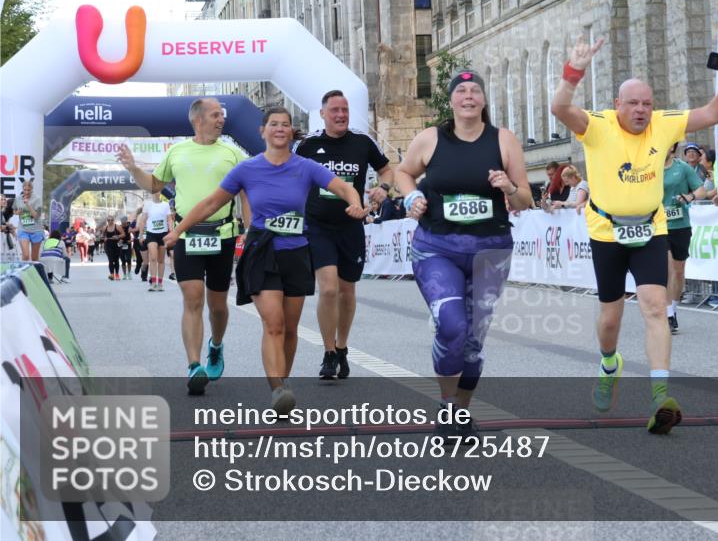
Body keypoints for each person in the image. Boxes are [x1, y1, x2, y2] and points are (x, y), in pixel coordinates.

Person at [550, 34, 718, 434]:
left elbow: (714, 113)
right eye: (633, 103)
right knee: (610, 319)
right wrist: (574, 72)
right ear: (617, 104)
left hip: (651, 228)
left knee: (655, 305)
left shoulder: (664, 124)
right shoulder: (598, 126)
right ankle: (609, 364)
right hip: (606, 231)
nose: (641, 110)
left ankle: (660, 397)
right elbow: (560, 107)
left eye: (647, 104)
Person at [165, 106, 366, 413]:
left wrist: (354, 203)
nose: (280, 129)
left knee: (289, 327)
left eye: (285, 125)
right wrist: (177, 230)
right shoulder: (247, 169)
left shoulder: (306, 167)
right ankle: (278, 389)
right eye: (274, 124)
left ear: (291, 131)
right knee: (273, 323)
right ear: (263, 131)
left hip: (297, 251)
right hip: (263, 250)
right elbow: (210, 203)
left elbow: (341, 186)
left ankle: (282, 381)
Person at [397, 68, 532, 441]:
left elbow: (525, 199)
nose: (468, 96)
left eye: (475, 91)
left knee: (472, 343)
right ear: (452, 100)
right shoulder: (430, 139)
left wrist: (509, 186)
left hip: (490, 251)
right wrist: (412, 196)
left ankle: (460, 412)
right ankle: (446, 404)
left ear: (484, 100)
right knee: (452, 325)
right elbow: (403, 173)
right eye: (461, 91)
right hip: (437, 248)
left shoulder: (504, 140)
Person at [117, 97, 251, 395]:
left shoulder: (232, 152)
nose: (222, 119)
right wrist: (133, 168)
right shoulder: (177, 152)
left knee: (217, 306)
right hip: (186, 236)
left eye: (222, 115)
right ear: (198, 119)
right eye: (216, 115)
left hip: (223, 235)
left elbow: (248, 188)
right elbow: (153, 185)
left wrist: (250, 226)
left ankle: (216, 346)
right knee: (192, 298)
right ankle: (193, 366)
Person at [295, 90, 395, 380]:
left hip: (352, 225)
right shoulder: (309, 145)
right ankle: (328, 353)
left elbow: (387, 170)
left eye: (345, 110)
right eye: (335, 110)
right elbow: (292, 177)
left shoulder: (362, 142)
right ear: (323, 114)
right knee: (327, 289)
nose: (341, 115)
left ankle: (342, 347)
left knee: (347, 291)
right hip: (318, 226)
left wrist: (383, 189)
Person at [662, 143, 706, 334]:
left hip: (680, 224)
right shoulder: (648, 168)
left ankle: (673, 309)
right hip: (658, 226)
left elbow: (701, 190)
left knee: (679, 272)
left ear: (671, 148)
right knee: (669, 268)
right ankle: (667, 314)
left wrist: (689, 197)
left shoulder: (682, 167)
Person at [138, 192, 171, 291]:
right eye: (154, 191)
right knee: (153, 258)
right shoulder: (147, 204)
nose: (156, 192)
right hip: (151, 234)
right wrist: (140, 235)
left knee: (161, 260)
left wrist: (171, 231)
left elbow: (169, 219)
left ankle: (160, 283)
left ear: (160, 192)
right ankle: (153, 283)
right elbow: (143, 221)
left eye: (158, 190)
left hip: (163, 234)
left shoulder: (166, 205)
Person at [14, 180, 44, 261]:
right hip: (23, 230)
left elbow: (37, 216)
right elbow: (14, 210)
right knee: (26, 255)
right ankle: (23, 273)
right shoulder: (18, 199)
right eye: (25, 190)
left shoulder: (37, 199)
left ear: (32, 190)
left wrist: (28, 205)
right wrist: (17, 212)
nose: (26, 192)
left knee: (34, 258)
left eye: (28, 190)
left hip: (36, 230)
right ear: (23, 189)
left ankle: (33, 273)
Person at [101, 215, 125, 280]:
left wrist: (118, 236)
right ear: (107, 221)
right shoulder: (105, 228)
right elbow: (102, 236)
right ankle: (112, 274)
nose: (110, 221)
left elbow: (123, 234)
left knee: (116, 260)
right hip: (108, 245)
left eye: (111, 220)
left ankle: (117, 274)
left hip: (116, 245)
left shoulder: (117, 227)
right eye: (108, 220)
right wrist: (104, 238)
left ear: (113, 220)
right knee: (110, 259)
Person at [118, 216, 133, 280]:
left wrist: (131, 240)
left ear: (126, 222)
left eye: (124, 222)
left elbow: (133, 236)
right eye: (122, 222)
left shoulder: (129, 227)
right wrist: (118, 240)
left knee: (129, 259)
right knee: (123, 260)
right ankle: (124, 275)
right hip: (121, 245)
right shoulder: (119, 227)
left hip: (128, 244)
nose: (123, 224)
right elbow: (116, 236)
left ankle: (129, 273)